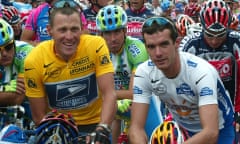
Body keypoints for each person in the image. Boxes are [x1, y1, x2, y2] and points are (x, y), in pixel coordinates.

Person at [128, 16, 235, 144]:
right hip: (183, 128)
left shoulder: (201, 71)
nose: (158, 53)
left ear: (177, 43)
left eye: (164, 44)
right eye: (151, 47)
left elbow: (211, 133)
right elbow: (136, 127)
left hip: (219, 129)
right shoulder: (143, 72)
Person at [23, 1, 117, 143]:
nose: (69, 36)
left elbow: (109, 93)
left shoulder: (96, 45)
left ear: (82, 29)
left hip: (95, 125)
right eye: (62, 30)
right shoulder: (34, 59)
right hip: (58, 127)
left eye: (74, 29)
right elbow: (38, 116)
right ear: (49, 31)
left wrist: (102, 128)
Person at [180, 0, 240, 141]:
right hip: (197, 107)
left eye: (220, 35)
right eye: (209, 34)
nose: (214, 41)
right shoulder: (190, 44)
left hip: (230, 106)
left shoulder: (236, 41)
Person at [96, 4, 149, 143]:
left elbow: (134, 92)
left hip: (139, 100)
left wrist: (109, 96)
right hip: (114, 101)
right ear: (101, 34)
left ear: (125, 31)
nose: (112, 38)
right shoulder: (96, 51)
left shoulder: (136, 48)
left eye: (117, 32)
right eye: (107, 33)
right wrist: (112, 98)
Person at [0, 18, 33, 129]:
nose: (4, 54)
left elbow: (17, 98)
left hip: (29, 119)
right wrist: (5, 89)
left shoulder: (26, 52)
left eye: (8, 47)